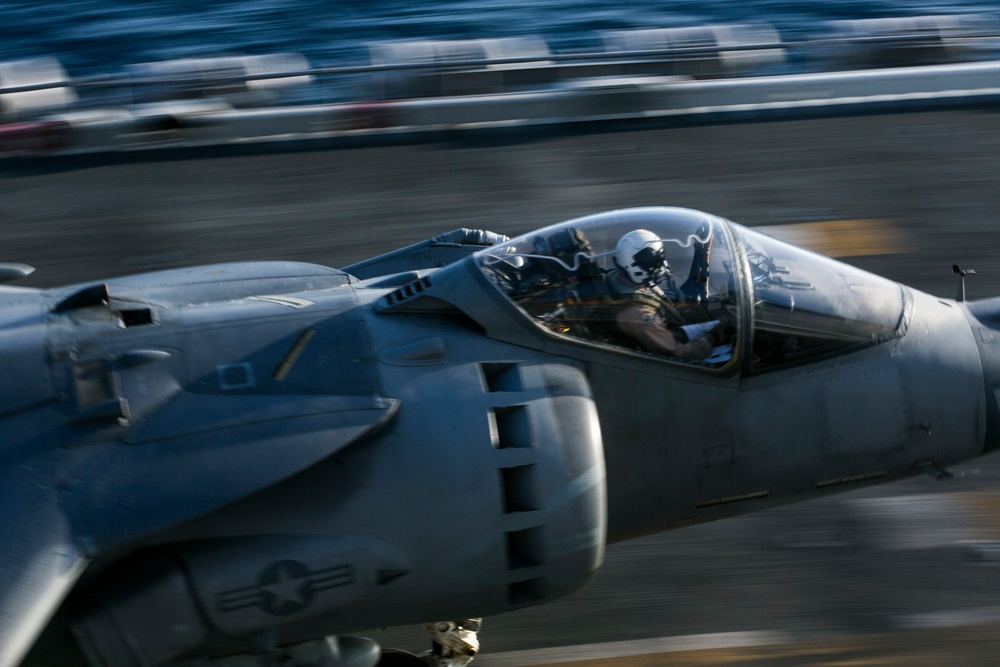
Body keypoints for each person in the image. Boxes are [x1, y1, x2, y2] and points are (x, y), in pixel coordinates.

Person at [607, 229, 729, 361]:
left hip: (669, 332)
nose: (663, 265)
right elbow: (679, 353)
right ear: (634, 265)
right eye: (656, 262)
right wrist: (715, 337)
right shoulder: (640, 316)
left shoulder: (617, 279)